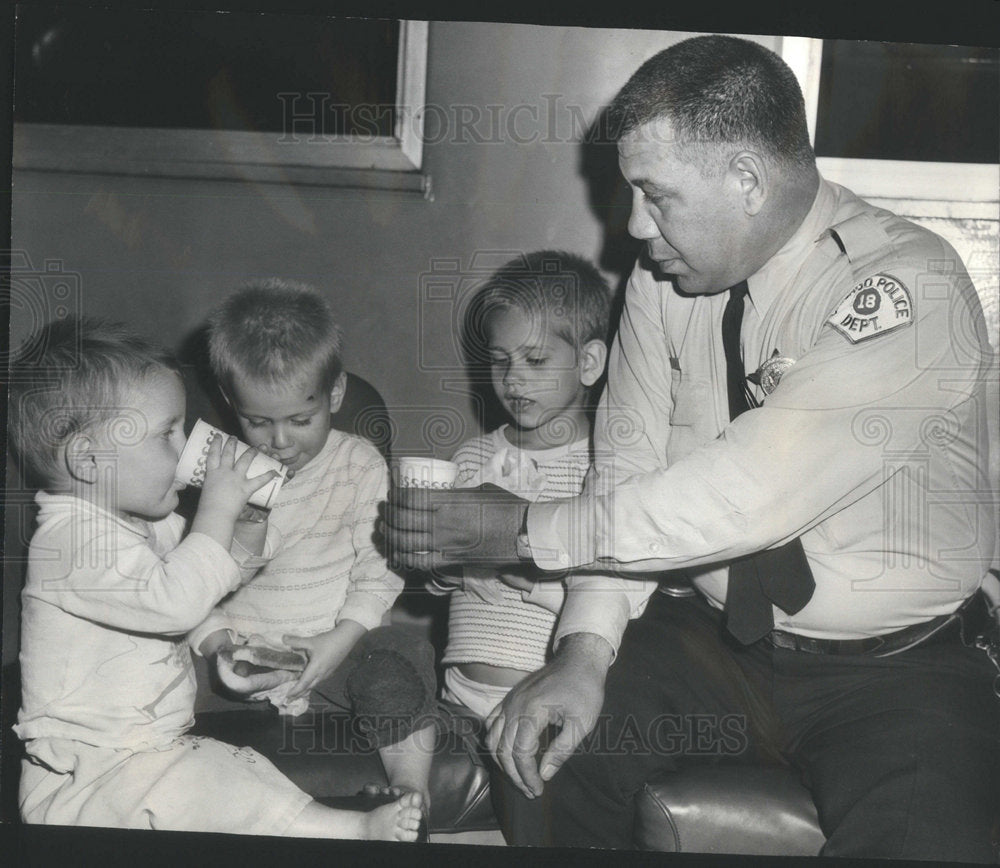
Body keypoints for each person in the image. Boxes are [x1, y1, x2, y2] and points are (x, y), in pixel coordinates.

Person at [384, 35, 999, 862]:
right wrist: (583, 652)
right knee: (544, 754)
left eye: (655, 194)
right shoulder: (660, 281)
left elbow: (751, 491)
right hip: (718, 644)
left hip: (902, 670)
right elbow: (625, 469)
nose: (634, 225)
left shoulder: (904, 285)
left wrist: (519, 529)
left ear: (747, 180)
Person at [9, 318, 423, 839]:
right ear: (90, 459)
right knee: (214, 783)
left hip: (145, 752)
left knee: (235, 777)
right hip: (85, 773)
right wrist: (217, 508)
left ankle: (341, 826)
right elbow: (177, 602)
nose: (186, 450)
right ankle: (349, 832)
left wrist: (245, 523)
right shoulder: (69, 543)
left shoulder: (142, 522)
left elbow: (219, 572)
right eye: (167, 434)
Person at [188, 279, 438, 809]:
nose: (280, 442)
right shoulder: (221, 471)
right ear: (231, 402)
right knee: (153, 669)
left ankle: (409, 788)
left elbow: (378, 575)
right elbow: (192, 582)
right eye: (258, 421)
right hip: (239, 651)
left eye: (301, 420)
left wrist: (338, 643)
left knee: (400, 656)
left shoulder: (359, 465)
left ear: (336, 395)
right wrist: (219, 647)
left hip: (335, 651)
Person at [427, 250, 610, 720]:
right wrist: (451, 567)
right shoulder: (471, 458)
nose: (512, 379)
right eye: (499, 361)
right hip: (457, 695)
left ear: (589, 362)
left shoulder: (602, 469)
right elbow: (433, 575)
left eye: (536, 359)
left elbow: (610, 603)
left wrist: (525, 575)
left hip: (544, 706)